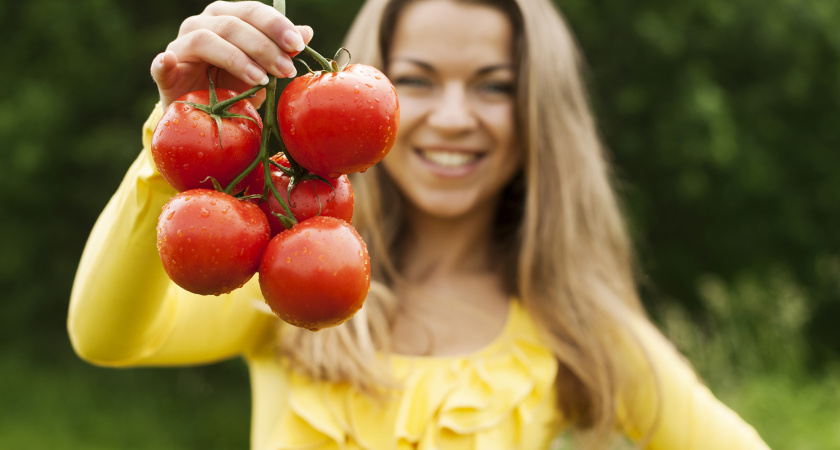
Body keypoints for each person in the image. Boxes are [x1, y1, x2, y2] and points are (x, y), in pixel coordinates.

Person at [68, 0, 770, 448]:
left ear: (539, 111)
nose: (455, 116)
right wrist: (178, 140)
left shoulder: (575, 326)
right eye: (420, 79)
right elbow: (105, 337)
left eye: (494, 84)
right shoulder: (285, 281)